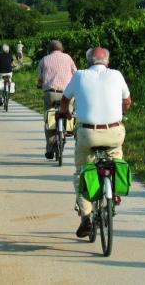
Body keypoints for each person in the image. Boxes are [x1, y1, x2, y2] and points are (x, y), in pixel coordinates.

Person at [58, 47, 132, 238]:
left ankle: (86, 219)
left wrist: (65, 112)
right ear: (107, 61)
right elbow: (127, 101)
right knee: (116, 159)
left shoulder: (80, 76)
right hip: (114, 132)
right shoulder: (116, 74)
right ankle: (113, 190)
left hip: (88, 133)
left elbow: (65, 99)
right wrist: (121, 112)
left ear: (89, 61)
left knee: (82, 172)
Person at [37, 40, 77, 159]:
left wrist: (40, 84)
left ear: (49, 49)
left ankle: (50, 147)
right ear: (62, 49)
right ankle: (69, 129)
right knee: (68, 111)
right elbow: (75, 73)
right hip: (67, 94)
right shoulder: (68, 58)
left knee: (49, 119)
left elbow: (40, 79)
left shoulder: (44, 60)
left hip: (51, 94)